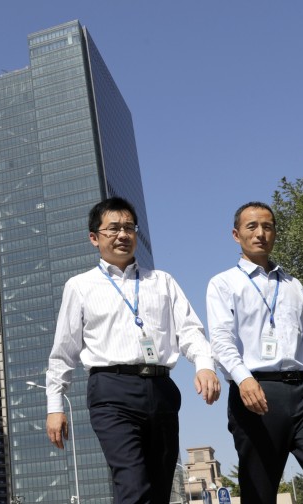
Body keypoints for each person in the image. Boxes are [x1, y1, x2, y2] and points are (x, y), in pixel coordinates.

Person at [45, 196, 220, 504]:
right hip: (111, 391)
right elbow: (63, 351)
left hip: (161, 388)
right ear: (94, 238)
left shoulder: (162, 282)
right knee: (132, 484)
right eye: (113, 228)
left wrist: (204, 364)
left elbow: (190, 329)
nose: (123, 235)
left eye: (129, 227)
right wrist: (55, 406)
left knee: (159, 488)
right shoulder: (80, 286)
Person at [206, 201, 303, 504]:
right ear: (236, 234)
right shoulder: (223, 284)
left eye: (268, 226)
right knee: (260, 495)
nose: (260, 233)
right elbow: (221, 341)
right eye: (252, 226)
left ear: (275, 233)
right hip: (256, 395)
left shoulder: (293, 285)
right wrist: (243, 379)